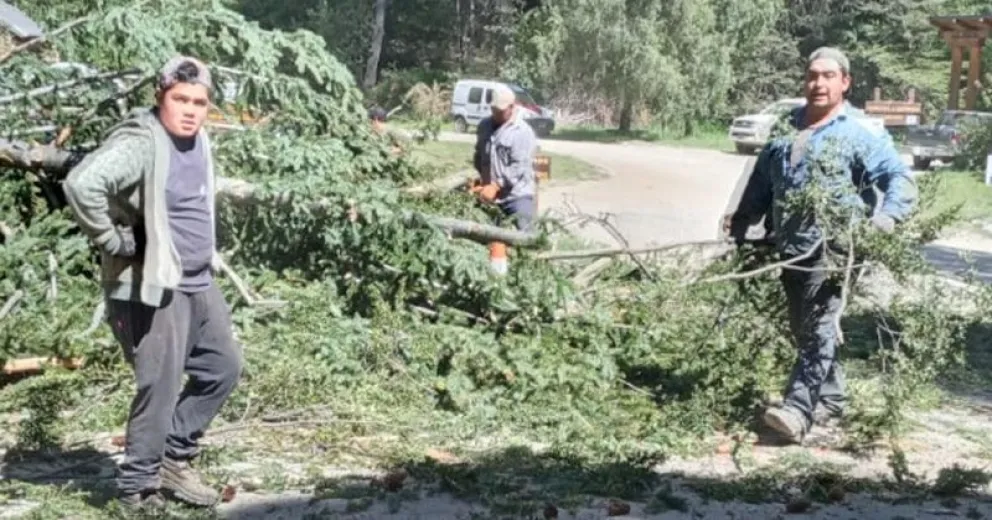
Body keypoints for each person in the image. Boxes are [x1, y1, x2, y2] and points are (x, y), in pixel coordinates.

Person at [62, 55, 242, 509]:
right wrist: (113, 240)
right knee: (158, 386)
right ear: (160, 97)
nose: (190, 110)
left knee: (222, 368)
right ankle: (136, 489)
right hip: (153, 285)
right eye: (179, 99)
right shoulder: (143, 141)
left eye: (199, 102)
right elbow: (83, 184)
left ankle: (173, 458)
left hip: (198, 281)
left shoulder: (199, 139)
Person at [726, 47, 918, 444]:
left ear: (844, 83)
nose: (818, 83)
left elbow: (898, 177)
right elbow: (762, 180)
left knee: (818, 326)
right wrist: (744, 223)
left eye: (828, 76)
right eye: (813, 75)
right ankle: (831, 400)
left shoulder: (860, 132)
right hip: (790, 247)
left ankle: (798, 410)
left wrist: (887, 218)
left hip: (834, 249)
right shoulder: (786, 126)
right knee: (804, 326)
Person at [471, 84, 538, 232]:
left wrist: (495, 186)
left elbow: (518, 167)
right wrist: (479, 179)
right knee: (490, 239)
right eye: (493, 110)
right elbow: (479, 154)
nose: (496, 114)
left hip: (517, 196)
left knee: (526, 236)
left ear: (512, 107)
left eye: (500, 111)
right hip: (490, 196)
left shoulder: (521, 132)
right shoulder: (484, 126)